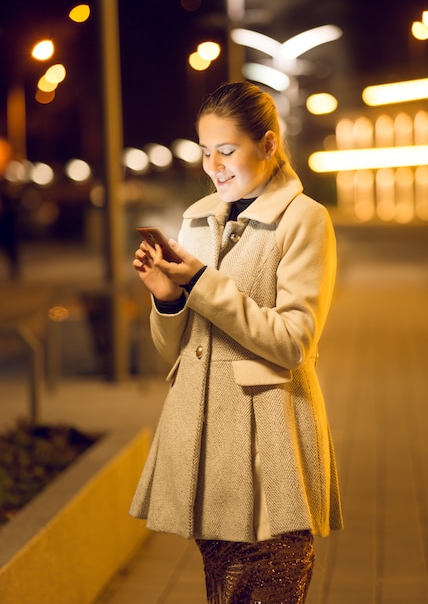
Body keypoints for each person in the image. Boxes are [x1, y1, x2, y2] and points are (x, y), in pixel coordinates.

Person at [130, 81, 343, 603]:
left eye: (227, 151)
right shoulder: (198, 217)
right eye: (206, 152)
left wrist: (201, 283)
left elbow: (294, 342)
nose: (214, 165)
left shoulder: (305, 220)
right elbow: (173, 352)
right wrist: (168, 299)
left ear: (268, 145)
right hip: (204, 450)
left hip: (269, 447)